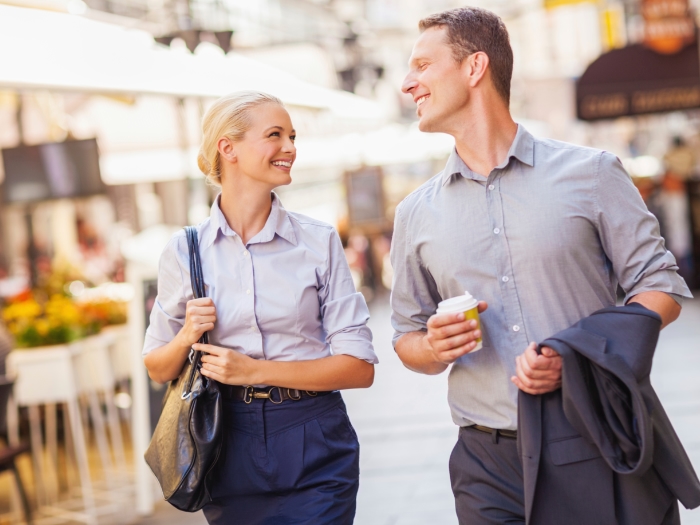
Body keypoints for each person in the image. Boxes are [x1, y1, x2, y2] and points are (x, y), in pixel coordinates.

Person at [390, 7, 691, 525]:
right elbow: (407, 340)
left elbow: (660, 289)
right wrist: (431, 346)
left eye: (421, 65)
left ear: (474, 67)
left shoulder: (591, 173)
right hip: (486, 463)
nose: (406, 83)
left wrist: (574, 355)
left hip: (595, 437)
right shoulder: (415, 213)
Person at [142, 91, 377, 525]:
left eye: (291, 136)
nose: (289, 147)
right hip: (226, 441)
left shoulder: (318, 241)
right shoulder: (185, 251)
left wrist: (254, 372)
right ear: (227, 148)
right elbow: (157, 367)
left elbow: (359, 367)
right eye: (275, 135)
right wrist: (187, 335)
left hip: (315, 436)